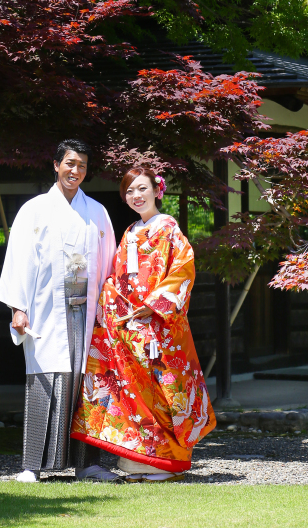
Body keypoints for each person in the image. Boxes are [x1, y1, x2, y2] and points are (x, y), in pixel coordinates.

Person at [71, 166, 216, 480]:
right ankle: (139, 462)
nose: (136, 196)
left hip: (159, 327)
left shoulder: (169, 229)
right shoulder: (129, 232)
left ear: (156, 190)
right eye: (130, 191)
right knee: (133, 392)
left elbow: (182, 271)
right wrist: (107, 298)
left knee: (164, 391)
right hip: (129, 328)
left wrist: (154, 305)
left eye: (142, 189)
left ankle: (169, 462)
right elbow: (118, 280)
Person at [0, 139, 120, 483]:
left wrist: (110, 309)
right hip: (46, 311)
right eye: (69, 163)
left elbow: (109, 264)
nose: (75, 171)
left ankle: (88, 464)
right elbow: (19, 259)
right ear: (55, 165)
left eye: (81, 165)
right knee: (46, 381)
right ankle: (32, 466)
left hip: (87, 312)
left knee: (86, 384)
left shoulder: (97, 212)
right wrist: (17, 308)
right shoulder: (34, 210)